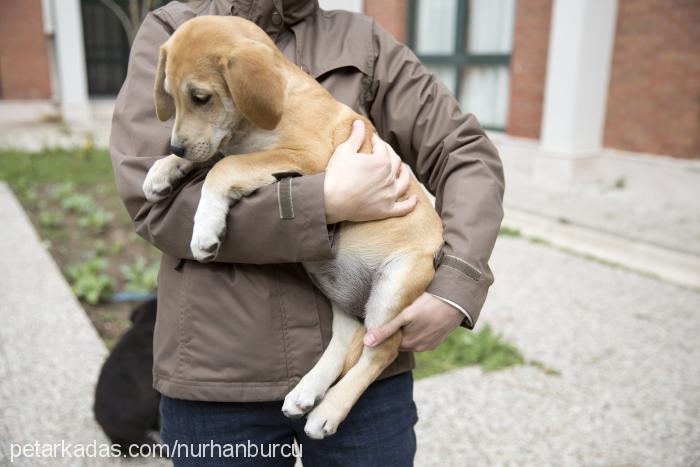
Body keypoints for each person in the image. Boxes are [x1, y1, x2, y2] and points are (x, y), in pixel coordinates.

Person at [109, 0, 504, 465]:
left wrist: (454, 286)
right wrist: (323, 203)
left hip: (366, 380)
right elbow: (153, 205)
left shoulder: (362, 41)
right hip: (219, 376)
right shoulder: (175, 30)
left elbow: (465, 152)